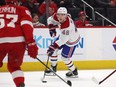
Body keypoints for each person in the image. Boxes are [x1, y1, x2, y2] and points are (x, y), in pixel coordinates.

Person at [0, 0, 38, 87]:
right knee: (14, 66)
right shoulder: (22, 9)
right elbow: (26, 25)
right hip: (17, 42)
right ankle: (20, 84)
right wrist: (30, 43)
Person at [45, 7, 80, 77]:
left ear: (66, 15)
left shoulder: (67, 25)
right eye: (59, 14)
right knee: (54, 51)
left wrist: (52, 47)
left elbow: (63, 40)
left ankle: (74, 71)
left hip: (71, 41)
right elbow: (49, 19)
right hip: (63, 36)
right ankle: (53, 69)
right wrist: (52, 29)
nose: (60, 17)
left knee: (64, 58)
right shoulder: (56, 16)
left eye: (63, 15)